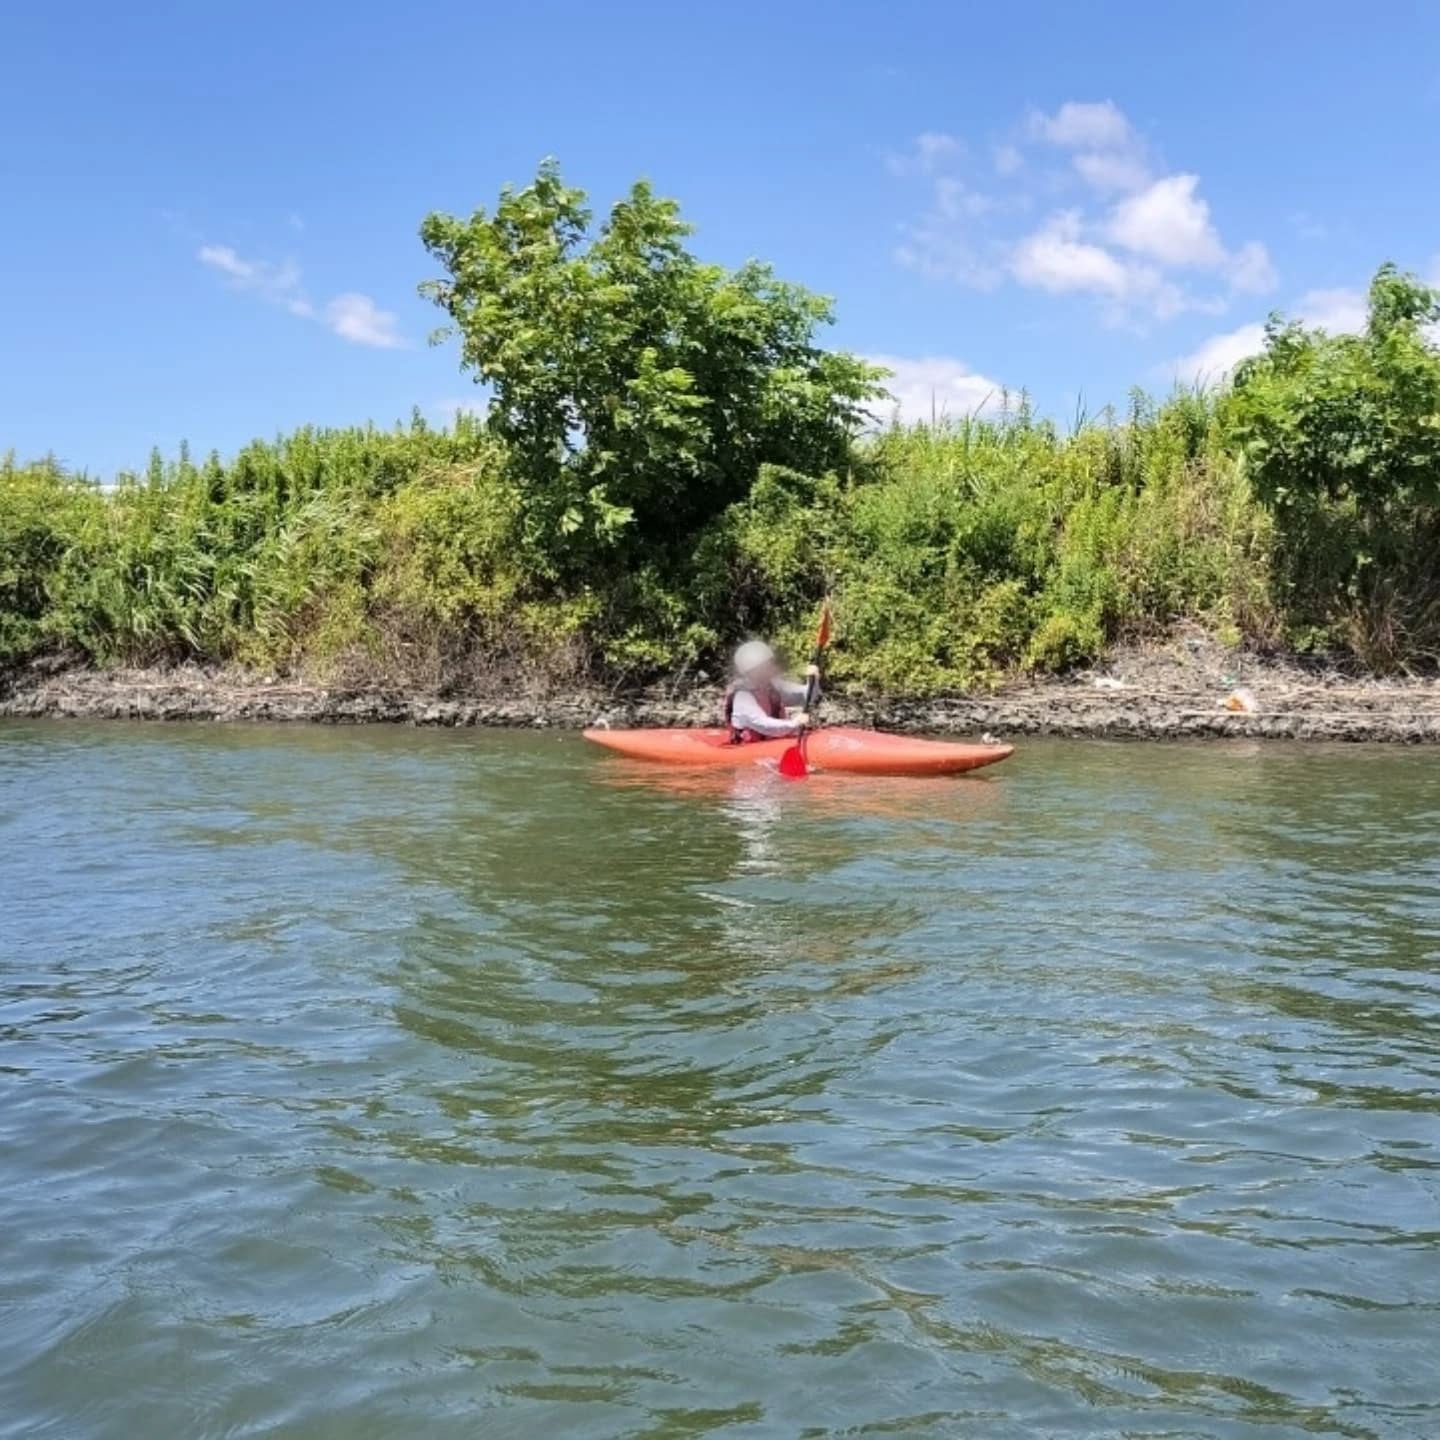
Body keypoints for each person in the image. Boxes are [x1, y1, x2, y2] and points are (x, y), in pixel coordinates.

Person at [723, 640, 820, 743]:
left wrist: (813, 680)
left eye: (770, 663)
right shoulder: (742, 697)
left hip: (774, 742)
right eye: (766, 665)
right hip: (750, 748)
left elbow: (808, 697)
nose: (772, 667)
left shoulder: (773, 686)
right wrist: (794, 723)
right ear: (754, 670)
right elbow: (763, 725)